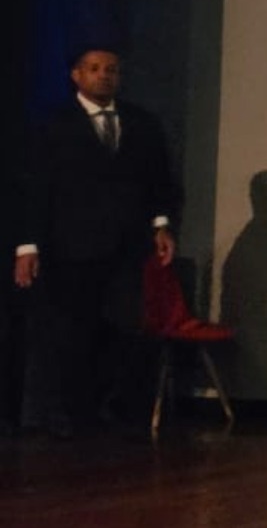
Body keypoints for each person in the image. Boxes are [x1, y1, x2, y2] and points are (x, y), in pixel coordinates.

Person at [12, 46, 180, 436]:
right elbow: (36, 189)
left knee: (121, 329)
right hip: (70, 246)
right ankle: (65, 414)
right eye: (94, 68)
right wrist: (28, 246)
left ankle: (109, 410)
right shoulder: (54, 125)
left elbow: (159, 180)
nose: (104, 75)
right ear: (76, 75)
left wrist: (160, 225)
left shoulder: (140, 123)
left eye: (111, 69)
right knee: (71, 330)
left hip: (125, 246)